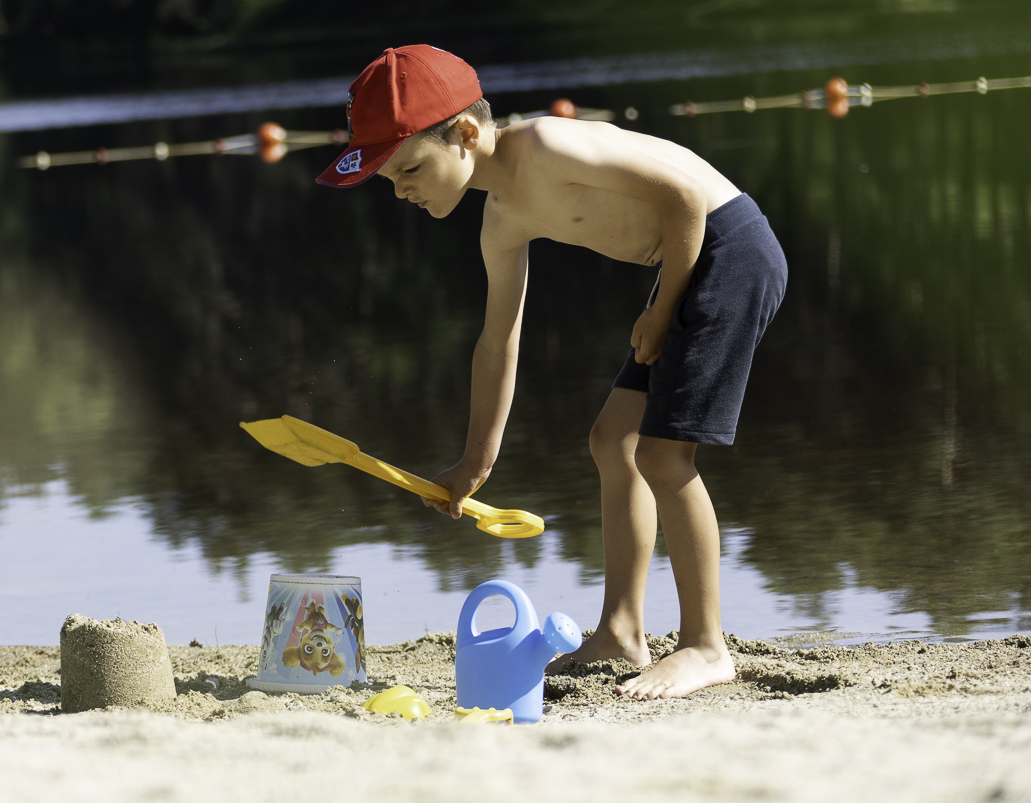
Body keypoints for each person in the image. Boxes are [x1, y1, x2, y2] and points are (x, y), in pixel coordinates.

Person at [317, 46, 786, 699]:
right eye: (389, 180)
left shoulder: (545, 145)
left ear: (466, 135)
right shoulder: (502, 220)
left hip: (727, 247)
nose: (402, 190)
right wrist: (474, 463)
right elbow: (497, 341)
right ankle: (621, 628)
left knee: (663, 456)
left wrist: (665, 306)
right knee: (611, 440)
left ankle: (707, 645)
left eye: (410, 169)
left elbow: (684, 199)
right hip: (686, 266)